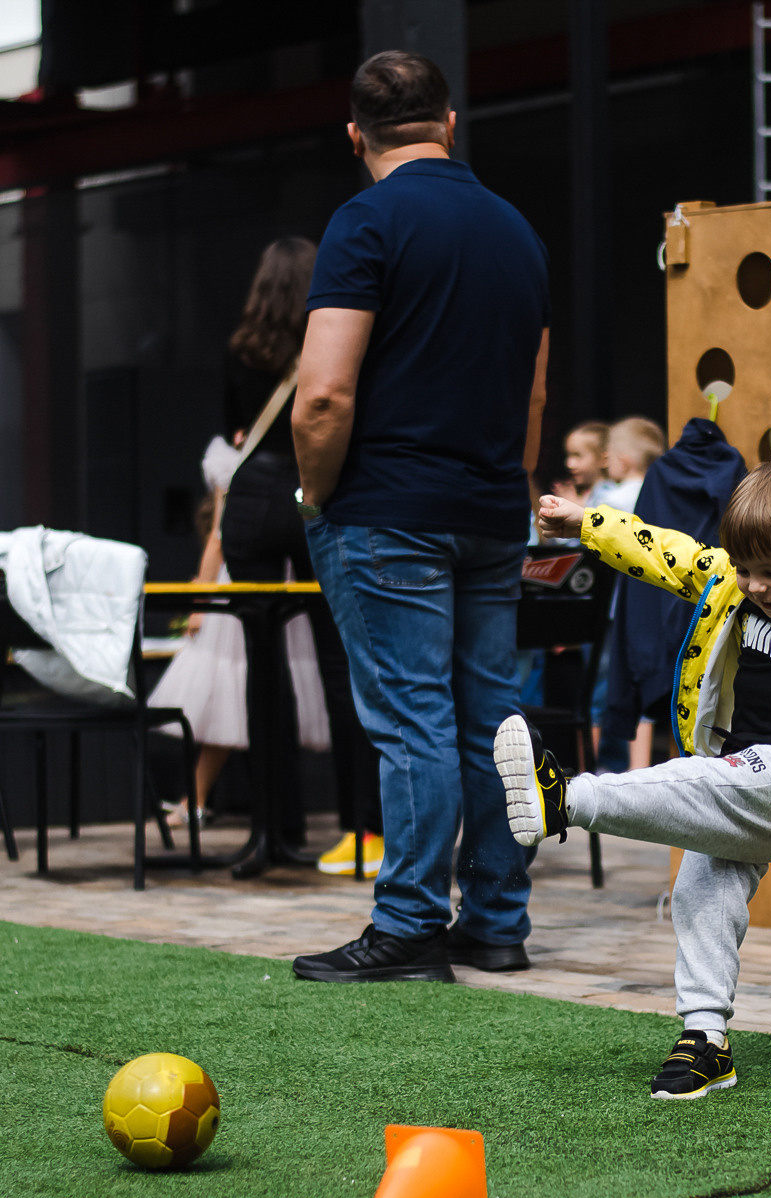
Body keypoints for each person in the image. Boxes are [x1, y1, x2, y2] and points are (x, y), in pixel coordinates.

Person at [501, 461, 771, 1098]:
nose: (756, 587)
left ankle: (567, 797)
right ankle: (706, 1042)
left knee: (695, 782)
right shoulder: (740, 580)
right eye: (745, 569)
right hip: (738, 767)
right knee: (704, 892)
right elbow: (665, 553)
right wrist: (586, 524)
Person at [288, 50, 550, 983]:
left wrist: (316, 493)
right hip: (490, 509)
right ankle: (496, 923)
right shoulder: (517, 232)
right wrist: (506, 488)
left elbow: (321, 396)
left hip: (388, 511)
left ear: (356, 135)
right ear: (449, 122)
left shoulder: (365, 221)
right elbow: (531, 393)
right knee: (491, 720)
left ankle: (406, 925)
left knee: (412, 722)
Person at [217, 236, 381, 867]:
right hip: (318, 492)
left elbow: (233, 430)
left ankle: (272, 831)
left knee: (264, 665)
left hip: (252, 501)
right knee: (342, 667)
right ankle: (362, 829)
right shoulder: (335, 337)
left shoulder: (240, 348)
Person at [147, 436, 333, 838]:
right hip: (272, 583)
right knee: (244, 695)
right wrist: (200, 601)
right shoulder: (259, 458)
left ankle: (203, 803)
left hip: (262, 585)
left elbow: (218, 535)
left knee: (240, 694)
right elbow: (218, 533)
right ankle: (206, 802)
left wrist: (200, 601)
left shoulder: (243, 461)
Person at [593, 415, 747, 773]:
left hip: (658, 593)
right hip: (714, 597)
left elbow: (640, 538)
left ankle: (638, 781)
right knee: (709, 697)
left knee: (652, 705)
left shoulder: (660, 473)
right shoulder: (732, 468)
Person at [590, 416, 659, 515]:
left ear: (623, 463)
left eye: (608, 458)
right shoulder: (657, 495)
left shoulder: (612, 502)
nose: (606, 465)